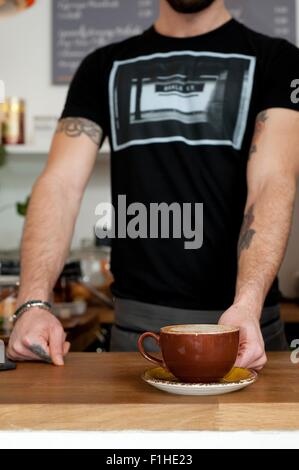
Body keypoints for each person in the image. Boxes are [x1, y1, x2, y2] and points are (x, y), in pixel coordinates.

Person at [8, 0, 299, 370]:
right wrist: (33, 304)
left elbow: (272, 181)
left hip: (248, 328)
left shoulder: (279, 61)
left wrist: (246, 304)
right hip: (140, 335)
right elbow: (60, 184)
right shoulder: (103, 66)